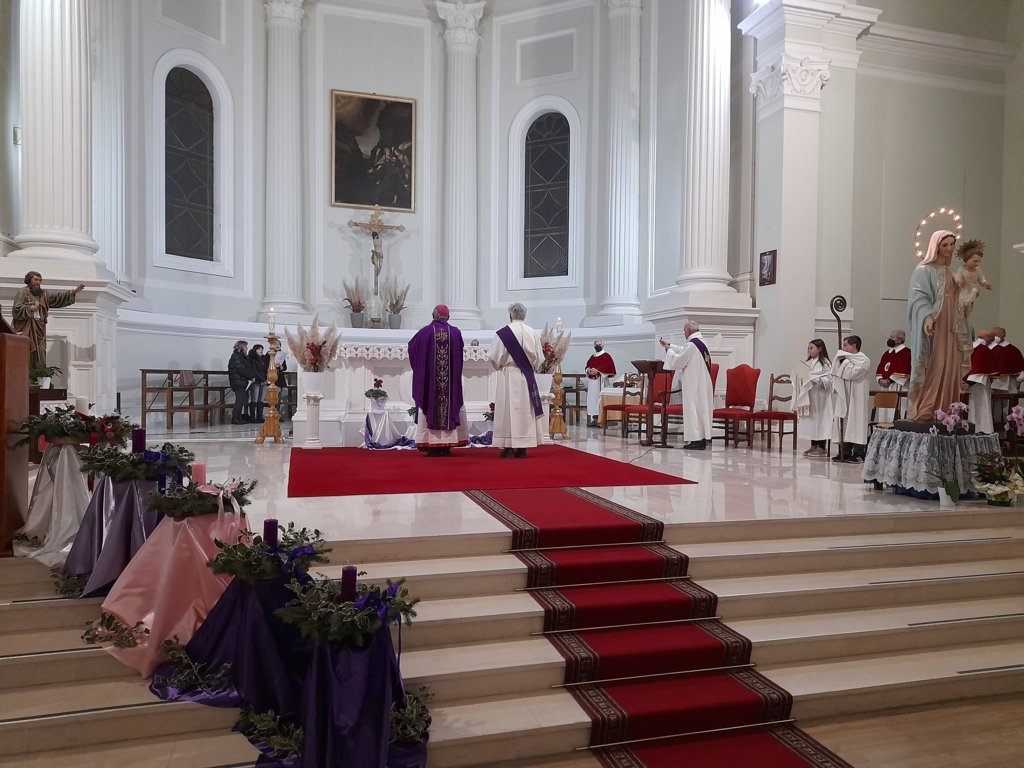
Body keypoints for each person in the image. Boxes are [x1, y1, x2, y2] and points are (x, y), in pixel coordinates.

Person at [907, 230, 971, 420]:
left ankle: (947, 408)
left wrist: (968, 296)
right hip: (937, 322)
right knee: (937, 362)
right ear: (935, 246)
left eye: (952, 244)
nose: (949, 248)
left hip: (953, 324)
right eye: (945, 245)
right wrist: (927, 317)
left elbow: (959, 298)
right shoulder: (923, 270)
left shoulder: (951, 272)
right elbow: (919, 297)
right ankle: (927, 406)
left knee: (951, 364)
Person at [408, 304, 467, 456]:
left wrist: (423, 369)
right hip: (450, 384)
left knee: (429, 403)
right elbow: (459, 358)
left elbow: (412, 349)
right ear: (448, 317)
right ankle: (446, 446)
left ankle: (432, 445)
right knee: (449, 403)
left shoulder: (424, 333)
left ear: (433, 315)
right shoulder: (455, 333)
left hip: (430, 384)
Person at [488, 302, 544, 458]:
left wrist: (500, 366)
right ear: (524, 315)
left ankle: (508, 447)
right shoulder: (533, 332)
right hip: (527, 376)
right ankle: (523, 447)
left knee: (507, 410)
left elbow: (494, 357)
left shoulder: (503, 333)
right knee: (525, 411)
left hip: (508, 375)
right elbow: (540, 359)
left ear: (510, 315)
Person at [11, 271, 85, 373]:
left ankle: (39, 376)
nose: (38, 282)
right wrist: (29, 309)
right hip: (26, 328)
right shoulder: (22, 292)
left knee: (41, 352)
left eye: (40, 280)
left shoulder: (44, 294)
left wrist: (73, 292)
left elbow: (57, 299)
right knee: (26, 351)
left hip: (39, 328)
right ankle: (25, 377)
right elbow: (16, 310)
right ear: (29, 280)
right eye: (36, 280)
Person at [659, 320, 714, 450]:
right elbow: (684, 350)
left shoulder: (692, 345)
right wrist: (670, 345)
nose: (684, 334)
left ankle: (696, 440)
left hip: (694, 384)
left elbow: (678, 361)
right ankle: (702, 439)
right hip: (702, 383)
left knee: (693, 410)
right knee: (701, 410)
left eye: (684, 332)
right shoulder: (702, 343)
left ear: (688, 331)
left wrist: (669, 351)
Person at [831, 335, 872, 463]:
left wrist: (844, 362)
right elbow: (834, 372)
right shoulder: (844, 359)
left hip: (857, 396)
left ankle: (859, 453)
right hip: (845, 395)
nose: (843, 348)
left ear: (854, 346)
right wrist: (841, 362)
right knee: (844, 421)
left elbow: (852, 374)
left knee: (856, 422)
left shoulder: (864, 360)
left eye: (845, 345)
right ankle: (845, 451)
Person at [794, 339, 833, 458]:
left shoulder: (825, 363)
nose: (809, 350)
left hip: (821, 397)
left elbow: (829, 379)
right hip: (810, 396)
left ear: (820, 349)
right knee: (812, 421)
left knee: (820, 421)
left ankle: (821, 447)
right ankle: (814, 445)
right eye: (808, 348)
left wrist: (817, 379)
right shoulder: (810, 362)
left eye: (812, 348)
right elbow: (802, 376)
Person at [875, 329, 911, 422]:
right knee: (884, 411)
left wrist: (889, 380)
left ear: (899, 340)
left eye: (892, 337)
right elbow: (880, 367)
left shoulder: (907, 352)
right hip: (885, 386)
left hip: (897, 385)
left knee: (896, 411)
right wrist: (880, 379)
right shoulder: (887, 353)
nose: (889, 339)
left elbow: (905, 368)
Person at [965, 329, 996, 433]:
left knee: (977, 410)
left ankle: (977, 432)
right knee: (976, 410)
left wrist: (967, 383)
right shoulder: (982, 349)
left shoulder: (980, 350)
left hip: (976, 386)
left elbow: (980, 369)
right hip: (971, 385)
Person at [952, 239, 992, 317]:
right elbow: (958, 277)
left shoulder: (978, 270)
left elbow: (981, 279)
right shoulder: (962, 269)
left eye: (979, 261)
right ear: (967, 259)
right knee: (960, 304)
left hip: (973, 290)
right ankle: (962, 310)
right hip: (964, 290)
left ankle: (967, 306)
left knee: (974, 291)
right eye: (975, 261)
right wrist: (960, 282)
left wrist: (985, 283)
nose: (977, 264)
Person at [584, 339, 616, 427]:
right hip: (592, 383)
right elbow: (587, 365)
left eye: (599, 344)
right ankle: (594, 418)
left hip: (601, 381)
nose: (597, 346)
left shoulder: (606, 356)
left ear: (602, 345)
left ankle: (602, 419)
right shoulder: (593, 356)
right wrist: (588, 370)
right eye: (596, 345)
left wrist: (598, 371)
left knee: (600, 399)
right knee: (593, 399)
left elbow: (607, 367)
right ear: (594, 346)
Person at [228, 340, 255, 425]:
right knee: (239, 401)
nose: (247, 348)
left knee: (241, 400)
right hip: (238, 381)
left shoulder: (241, 356)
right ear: (241, 347)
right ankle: (235, 418)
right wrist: (251, 376)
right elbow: (241, 369)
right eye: (245, 347)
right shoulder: (236, 357)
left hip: (241, 381)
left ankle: (238, 417)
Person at [247, 343, 269, 423]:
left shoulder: (263, 359)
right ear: (255, 350)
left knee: (261, 400)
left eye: (262, 349)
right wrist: (262, 379)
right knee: (254, 399)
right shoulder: (252, 359)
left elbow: (266, 370)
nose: (261, 350)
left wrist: (266, 379)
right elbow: (255, 371)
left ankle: (260, 417)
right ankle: (253, 417)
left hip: (264, 381)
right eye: (259, 349)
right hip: (256, 381)